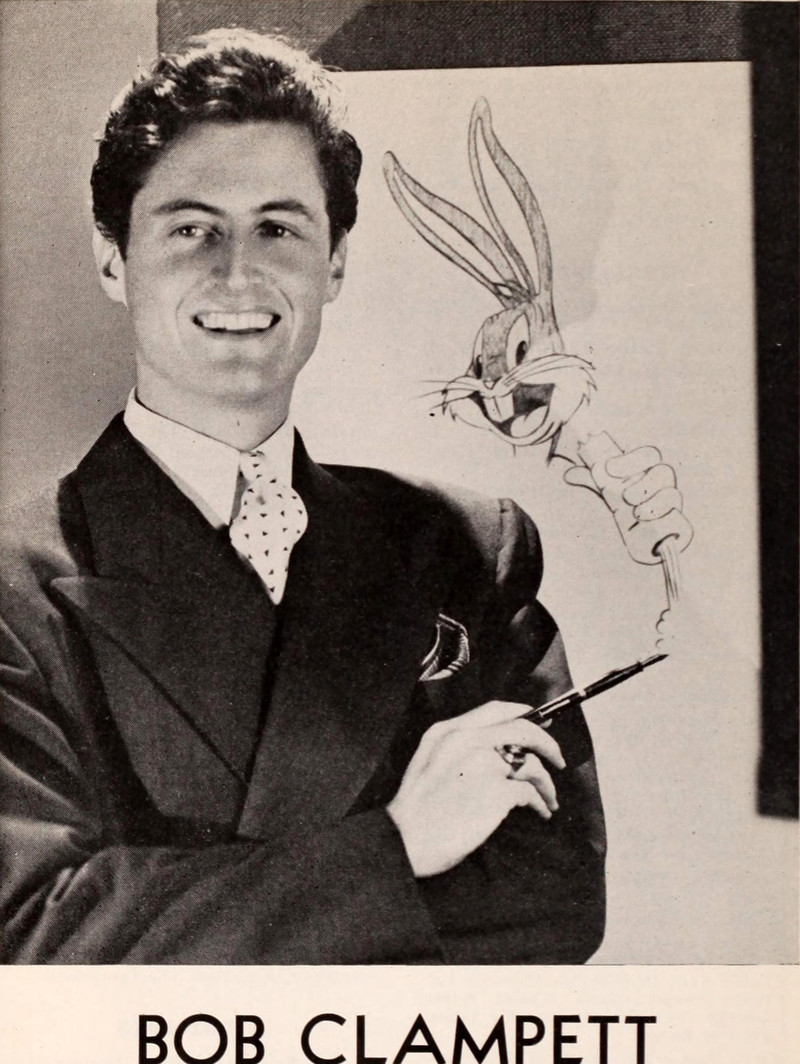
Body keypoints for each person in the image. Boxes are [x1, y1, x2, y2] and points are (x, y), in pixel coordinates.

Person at [1, 27, 665, 965]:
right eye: (191, 229)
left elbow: (550, 897)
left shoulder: (467, 543)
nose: (238, 273)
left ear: (335, 261)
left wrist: (193, 912)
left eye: (278, 228)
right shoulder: (16, 590)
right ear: (113, 259)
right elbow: (36, 939)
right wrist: (396, 847)